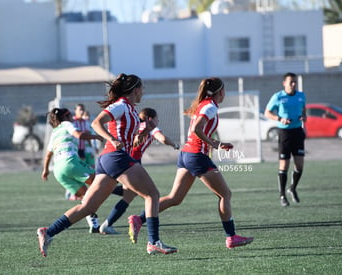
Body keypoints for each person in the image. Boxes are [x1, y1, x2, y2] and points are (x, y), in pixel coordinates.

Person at [37, 73, 177, 257]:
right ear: (135, 90)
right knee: (152, 194)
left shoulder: (131, 109)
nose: (143, 92)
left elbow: (131, 141)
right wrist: (111, 138)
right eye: (142, 88)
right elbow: (96, 123)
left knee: (88, 207)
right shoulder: (120, 105)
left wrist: (143, 135)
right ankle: (153, 242)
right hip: (116, 157)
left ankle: (49, 232)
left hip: (109, 159)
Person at [128, 77, 254, 249]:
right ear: (220, 92)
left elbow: (197, 130)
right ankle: (231, 237)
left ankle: (139, 219)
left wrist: (215, 143)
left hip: (186, 154)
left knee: (175, 198)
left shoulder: (203, 105)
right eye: (224, 90)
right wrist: (215, 143)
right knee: (225, 194)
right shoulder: (209, 106)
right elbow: (196, 129)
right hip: (196, 156)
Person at [98, 107, 180, 235]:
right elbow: (162, 138)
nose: (158, 121)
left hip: (123, 159)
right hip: (130, 162)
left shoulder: (136, 125)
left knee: (129, 194)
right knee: (141, 195)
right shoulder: (151, 127)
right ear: (151, 119)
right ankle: (108, 223)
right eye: (157, 118)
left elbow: (135, 142)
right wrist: (174, 145)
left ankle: (107, 222)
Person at [41, 107, 103, 233]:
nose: (72, 118)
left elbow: (48, 155)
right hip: (69, 162)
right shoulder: (66, 124)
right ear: (66, 117)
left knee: (85, 197)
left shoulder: (54, 132)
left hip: (58, 171)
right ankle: (123, 193)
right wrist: (95, 136)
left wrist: (45, 170)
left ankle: (94, 225)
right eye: (70, 116)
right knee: (100, 183)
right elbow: (79, 135)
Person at [264, 72, 306, 207]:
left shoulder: (301, 96)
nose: (293, 84)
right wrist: (280, 119)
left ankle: (292, 188)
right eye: (291, 82)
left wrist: (303, 116)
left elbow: (303, 109)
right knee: (284, 165)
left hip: (298, 132)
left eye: (295, 82)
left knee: (299, 165)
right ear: (284, 83)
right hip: (284, 133)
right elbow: (267, 113)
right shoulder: (278, 97)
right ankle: (282, 195)